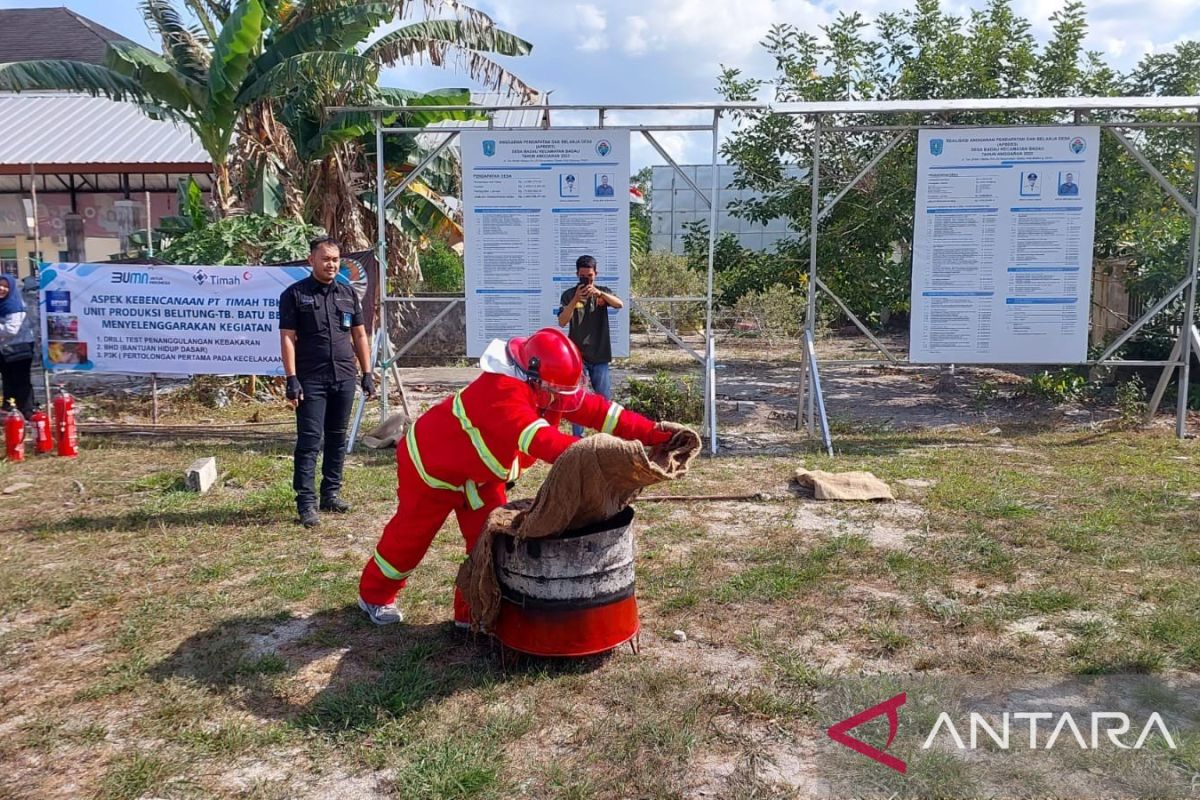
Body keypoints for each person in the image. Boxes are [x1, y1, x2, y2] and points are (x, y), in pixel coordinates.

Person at [356, 327, 673, 626]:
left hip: (481, 478)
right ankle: (374, 596)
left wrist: (654, 433)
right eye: (558, 393)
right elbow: (545, 443)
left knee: (488, 548)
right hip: (431, 472)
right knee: (408, 541)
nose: (565, 401)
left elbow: (600, 411)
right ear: (534, 378)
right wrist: (609, 457)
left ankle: (472, 615)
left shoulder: (547, 386)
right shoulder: (501, 393)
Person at [279, 237, 376, 528]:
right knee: (310, 441)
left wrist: (367, 372)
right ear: (311, 261)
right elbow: (287, 337)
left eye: (335, 259)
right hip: (311, 379)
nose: (331, 264)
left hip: (344, 376)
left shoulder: (347, 293)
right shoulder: (294, 295)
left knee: (338, 438)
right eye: (325, 259)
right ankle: (306, 504)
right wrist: (291, 379)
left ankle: (330, 493)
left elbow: (359, 335)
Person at [557, 254, 623, 436]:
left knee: (604, 400)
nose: (586, 279)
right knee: (577, 399)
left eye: (590, 276)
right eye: (583, 276)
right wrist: (575, 300)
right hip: (577, 357)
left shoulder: (603, 292)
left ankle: (606, 438)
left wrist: (600, 294)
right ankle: (578, 439)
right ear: (577, 274)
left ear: (596, 274)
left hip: (600, 355)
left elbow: (620, 304)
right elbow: (562, 321)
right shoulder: (569, 295)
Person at [0, 273, 35, 419]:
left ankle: (27, 411)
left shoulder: (15, 306)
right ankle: (10, 411)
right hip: (5, 350)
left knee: (21, 381)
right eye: (0, 285)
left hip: (20, 349)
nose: (1, 288)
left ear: (12, 288)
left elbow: (11, 330)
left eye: (6, 286)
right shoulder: (2, 304)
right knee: (8, 380)